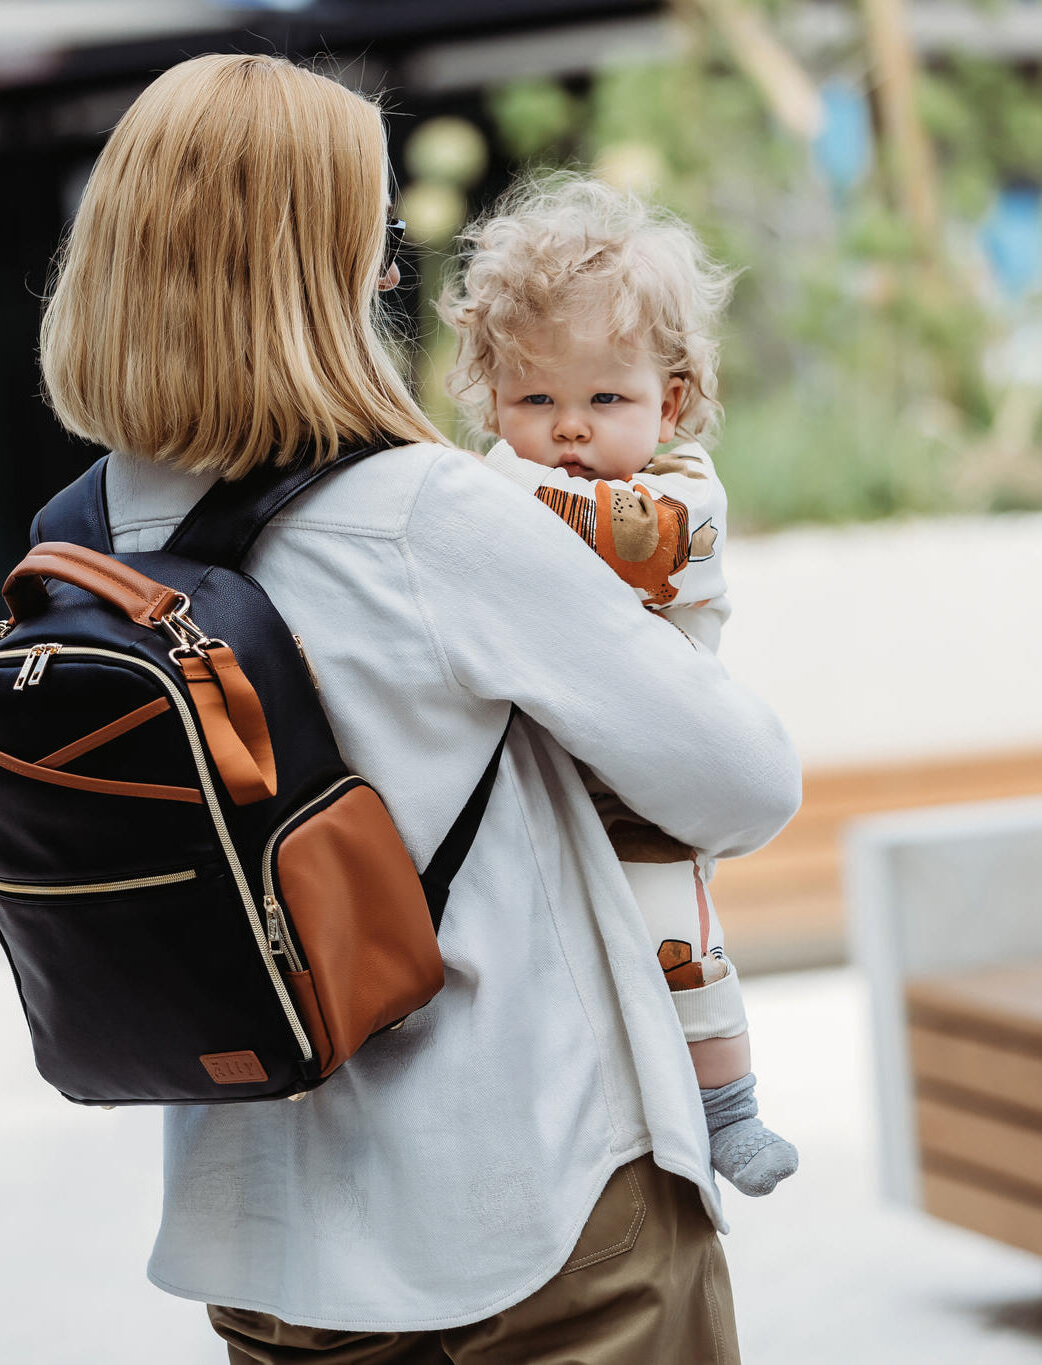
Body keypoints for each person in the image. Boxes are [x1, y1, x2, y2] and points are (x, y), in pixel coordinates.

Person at [39, 52, 801, 1363]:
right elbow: (740, 784)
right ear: (310, 267)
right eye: (374, 237)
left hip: (266, 1230)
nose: (390, 276)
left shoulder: (87, 534)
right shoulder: (435, 514)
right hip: (539, 1208)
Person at [440, 175, 799, 1198]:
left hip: (649, 788)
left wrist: (496, 482)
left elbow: (611, 543)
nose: (568, 430)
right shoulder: (501, 483)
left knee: (675, 939)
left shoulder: (684, 497)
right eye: (534, 401)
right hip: (536, 777)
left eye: (606, 399)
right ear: (493, 399)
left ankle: (730, 1106)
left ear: (668, 401)